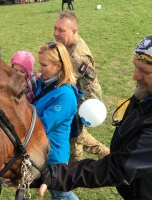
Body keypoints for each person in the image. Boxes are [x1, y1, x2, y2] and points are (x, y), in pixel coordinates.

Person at [33, 28, 152, 200]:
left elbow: (118, 167)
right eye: (136, 67)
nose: (135, 76)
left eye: (145, 71)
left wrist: (55, 175)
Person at [54, 10, 109, 162]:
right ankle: (103, 152)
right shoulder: (68, 43)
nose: (56, 33)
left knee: (75, 135)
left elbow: (85, 86)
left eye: (61, 30)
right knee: (76, 134)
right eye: (55, 28)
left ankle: (75, 168)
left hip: (85, 102)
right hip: (76, 94)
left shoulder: (77, 57)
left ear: (74, 31)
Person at [33, 41, 82, 200]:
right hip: (43, 152)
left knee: (62, 194)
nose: (40, 68)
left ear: (58, 66)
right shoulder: (45, 84)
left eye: (44, 65)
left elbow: (41, 126)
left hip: (55, 158)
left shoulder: (65, 96)